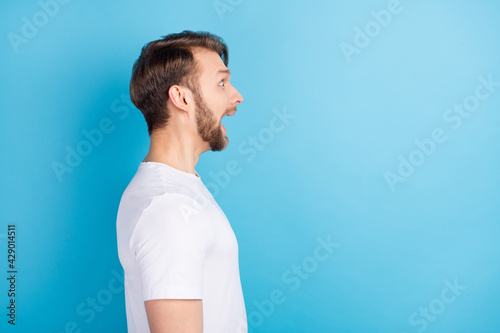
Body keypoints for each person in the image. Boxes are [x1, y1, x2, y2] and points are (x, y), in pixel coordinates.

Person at [116, 30, 247, 333]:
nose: (236, 96)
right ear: (182, 98)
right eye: (221, 83)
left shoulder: (178, 192)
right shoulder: (170, 209)